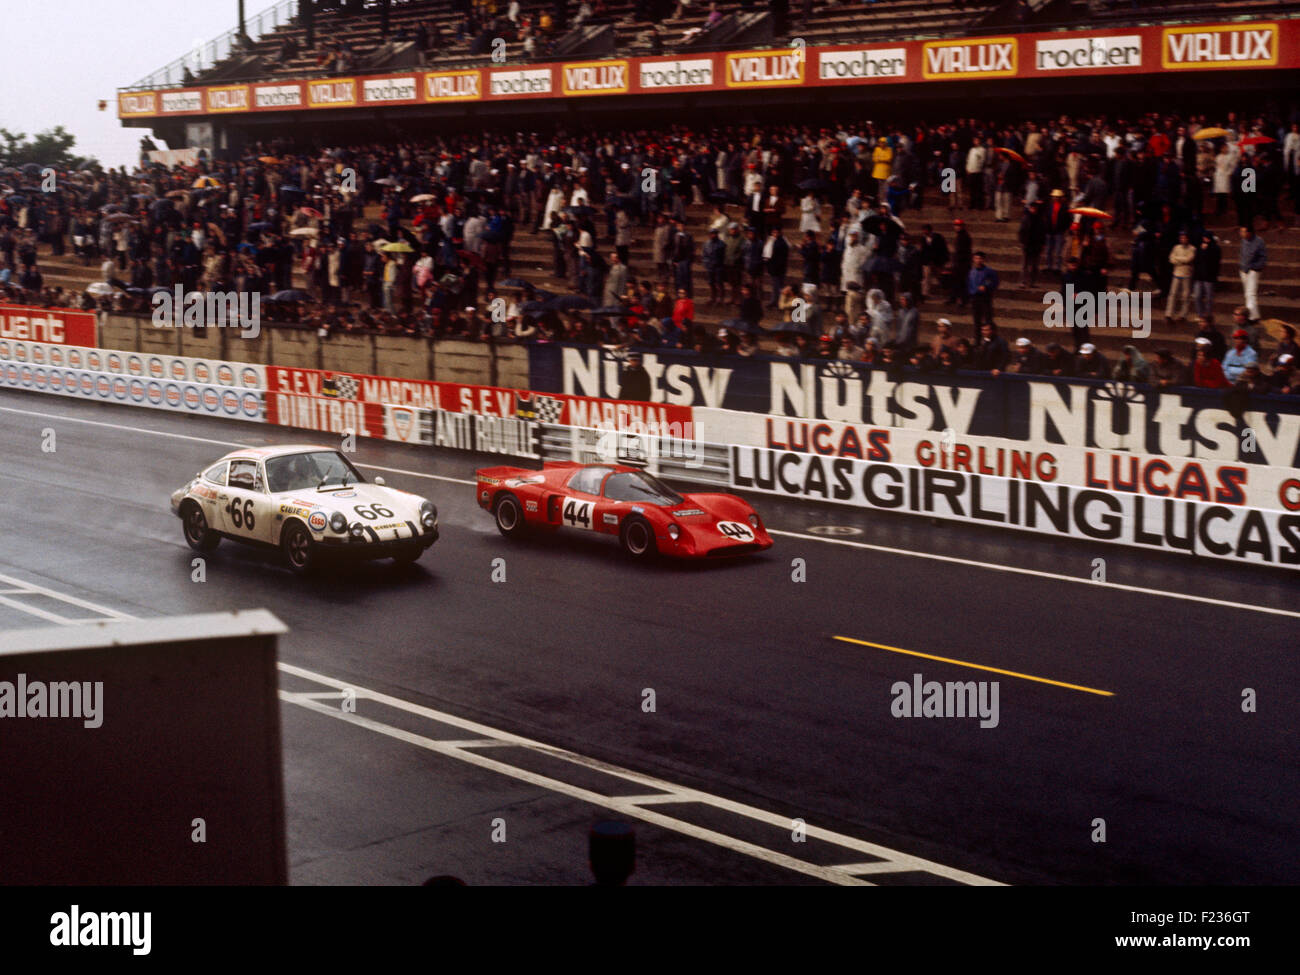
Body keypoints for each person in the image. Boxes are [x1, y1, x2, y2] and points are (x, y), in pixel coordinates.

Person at [1165, 230, 1195, 326]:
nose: (1183, 239)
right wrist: (1181, 260)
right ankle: (1169, 314)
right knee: (1172, 294)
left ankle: (1183, 315)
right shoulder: (1176, 247)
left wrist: (1178, 259)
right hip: (1176, 273)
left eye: (1184, 238)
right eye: (1181, 238)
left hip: (1186, 274)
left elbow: (1188, 259)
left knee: (1185, 296)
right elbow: (1171, 258)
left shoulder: (1192, 248)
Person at [1238, 225, 1265, 322]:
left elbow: (1263, 257)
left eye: (1243, 232)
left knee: (1251, 293)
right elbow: (1242, 254)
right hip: (1244, 269)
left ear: (1249, 233)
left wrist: (1255, 267)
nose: (1241, 233)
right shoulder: (1244, 241)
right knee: (1247, 294)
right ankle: (1254, 314)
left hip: (1253, 269)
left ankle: (1250, 316)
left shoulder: (1259, 241)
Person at [967, 251, 998, 334]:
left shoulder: (989, 271)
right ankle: (977, 341)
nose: (978, 260)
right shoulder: (971, 272)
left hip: (985, 298)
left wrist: (986, 285)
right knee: (977, 321)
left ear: (983, 260)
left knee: (988, 320)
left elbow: (994, 281)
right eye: (976, 258)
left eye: (980, 258)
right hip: (975, 298)